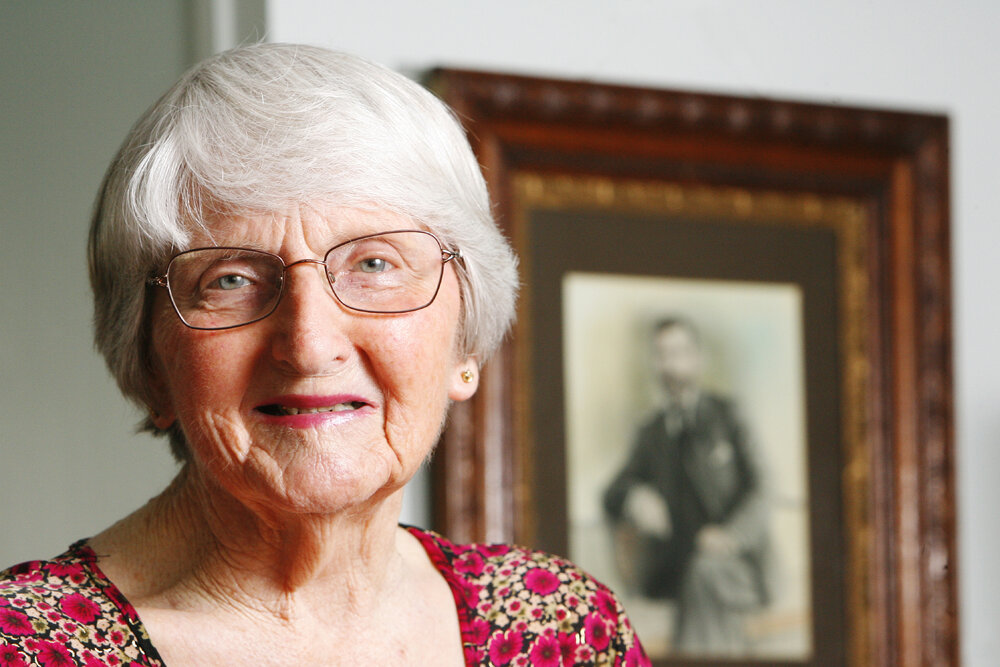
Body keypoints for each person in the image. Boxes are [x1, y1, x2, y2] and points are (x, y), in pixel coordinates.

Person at [0, 44, 649, 666]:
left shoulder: (562, 633)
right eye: (229, 278)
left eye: (375, 263)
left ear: (465, 341)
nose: (309, 345)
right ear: (150, 360)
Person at [603, 317, 770, 657]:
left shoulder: (729, 416)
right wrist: (635, 496)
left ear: (697, 358)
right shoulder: (651, 433)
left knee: (704, 576)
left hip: (735, 563)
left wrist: (731, 536)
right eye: (662, 355)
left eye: (679, 353)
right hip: (673, 567)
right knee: (696, 578)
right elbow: (612, 492)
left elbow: (761, 489)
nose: (671, 365)